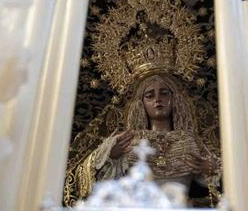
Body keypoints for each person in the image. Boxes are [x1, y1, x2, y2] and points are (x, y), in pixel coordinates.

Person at [77, 72, 220, 202]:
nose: (158, 99)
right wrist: (110, 156)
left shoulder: (190, 140)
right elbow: (90, 182)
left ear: (174, 99)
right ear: (141, 103)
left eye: (164, 93)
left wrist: (211, 169)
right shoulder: (126, 141)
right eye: (150, 96)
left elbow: (219, 184)